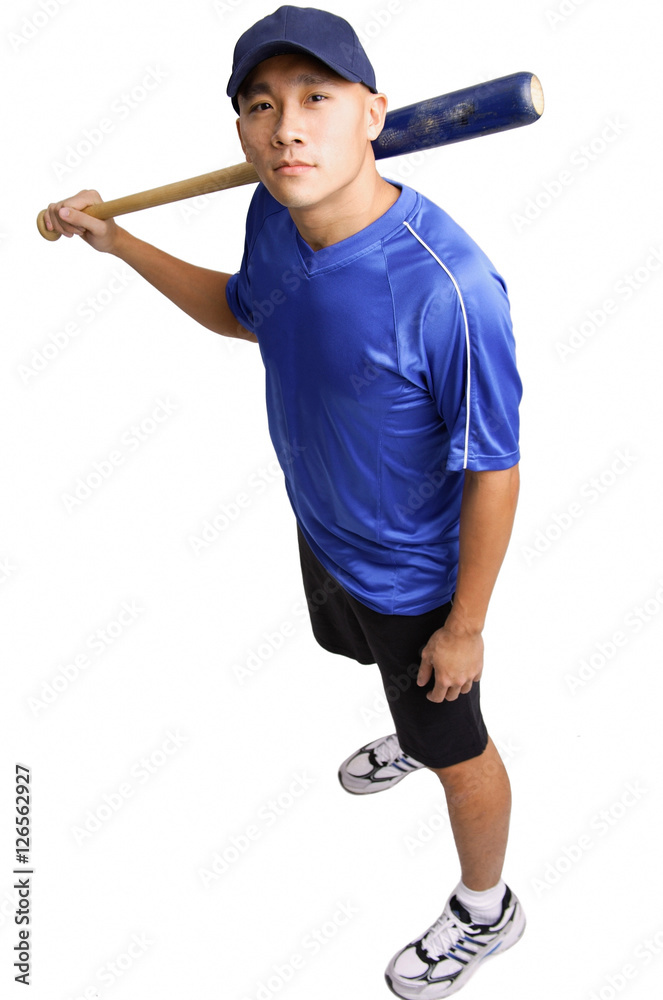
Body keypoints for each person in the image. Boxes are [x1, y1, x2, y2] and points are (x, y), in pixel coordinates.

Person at [43, 6, 525, 997]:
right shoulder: (273, 212)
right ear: (240, 132)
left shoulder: (450, 289)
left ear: (374, 114)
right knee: (361, 657)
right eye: (262, 106)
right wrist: (119, 242)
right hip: (326, 527)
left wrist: (465, 626)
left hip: (419, 578)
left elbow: (495, 469)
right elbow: (245, 313)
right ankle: (407, 706)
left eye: (317, 98)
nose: (287, 127)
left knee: (457, 744)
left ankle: (489, 906)